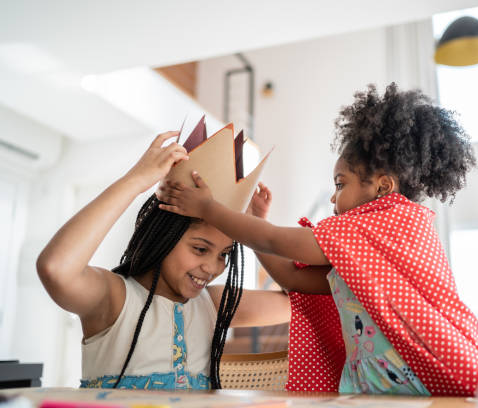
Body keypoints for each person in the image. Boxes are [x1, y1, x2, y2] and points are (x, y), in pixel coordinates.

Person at [157, 84, 478, 396]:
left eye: (340, 184)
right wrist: (256, 222)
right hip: (396, 390)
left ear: (382, 187)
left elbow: (277, 240)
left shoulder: (386, 221)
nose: (334, 201)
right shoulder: (369, 251)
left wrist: (210, 208)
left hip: (441, 373)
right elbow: (292, 277)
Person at [37, 131, 290, 390]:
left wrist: (255, 228)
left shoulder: (213, 305)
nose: (213, 268)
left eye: (224, 254)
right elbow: (56, 268)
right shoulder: (115, 299)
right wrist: (135, 180)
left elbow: (295, 302)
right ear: (162, 236)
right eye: (200, 249)